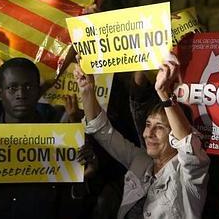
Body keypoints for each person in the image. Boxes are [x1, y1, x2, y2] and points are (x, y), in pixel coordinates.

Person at [75, 55, 210, 218]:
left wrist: (164, 94)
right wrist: (87, 89)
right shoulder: (140, 160)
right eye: (147, 125)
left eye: (159, 127)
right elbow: (103, 131)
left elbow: (188, 145)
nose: (148, 134)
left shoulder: (189, 175)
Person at [0, 58, 97, 219]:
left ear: (38, 91)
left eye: (28, 87)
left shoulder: (63, 142)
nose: (21, 95)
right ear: (0, 94)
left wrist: (82, 177)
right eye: (12, 88)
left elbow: (74, 206)